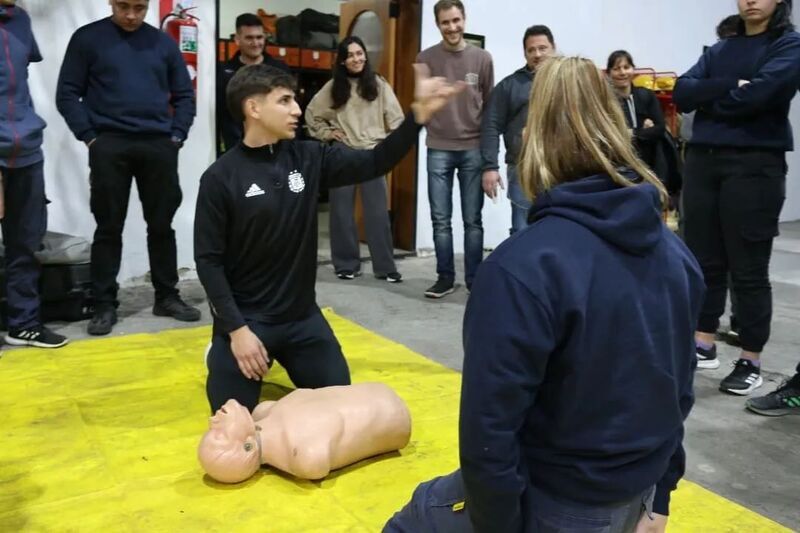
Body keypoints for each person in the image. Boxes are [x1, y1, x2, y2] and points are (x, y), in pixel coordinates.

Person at [385, 56, 705, 533]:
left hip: (556, 497)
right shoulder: (677, 257)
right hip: (633, 495)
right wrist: (660, 497)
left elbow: (489, 438)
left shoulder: (521, 269)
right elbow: (679, 391)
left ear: (530, 139)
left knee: (412, 520)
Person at [195, 63, 463, 413]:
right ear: (254, 108)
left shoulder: (309, 157)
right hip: (249, 322)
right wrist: (236, 332)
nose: (296, 110)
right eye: (286, 100)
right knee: (233, 421)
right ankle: (218, 351)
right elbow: (208, 261)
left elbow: (375, 162)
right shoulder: (220, 177)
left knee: (341, 407)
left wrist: (418, 117)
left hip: (301, 319)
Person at [673, 0, 800, 394]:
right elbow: (681, 91)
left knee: (747, 267)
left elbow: (759, 97)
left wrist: (710, 97)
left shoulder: (788, 45)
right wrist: (731, 86)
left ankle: (750, 359)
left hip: (754, 166)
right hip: (703, 164)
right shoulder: (720, 48)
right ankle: (703, 343)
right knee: (703, 261)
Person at [55, 0, 199, 336]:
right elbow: (67, 93)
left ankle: (167, 296)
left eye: (139, 7)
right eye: (124, 6)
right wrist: (90, 137)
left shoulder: (163, 42)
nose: (132, 15)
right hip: (109, 145)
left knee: (162, 225)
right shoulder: (87, 39)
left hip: (158, 145)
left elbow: (184, 95)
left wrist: (176, 135)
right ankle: (104, 304)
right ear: (111, 2)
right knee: (108, 228)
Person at [305, 36, 404, 282]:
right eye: (350, 55)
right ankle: (346, 264)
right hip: (344, 154)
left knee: (378, 213)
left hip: (372, 154)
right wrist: (328, 134)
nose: (356, 59)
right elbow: (311, 115)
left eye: (360, 53)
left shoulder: (379, 84)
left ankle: (385, 267)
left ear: (365, 56)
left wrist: (387, 146)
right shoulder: (333, 87)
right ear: (342, 61)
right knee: (340, 213)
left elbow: (397, 119)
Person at [0, 0, 68, 348]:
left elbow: (17, 84)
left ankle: (22, 323)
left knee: (25, 242)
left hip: (25, 149)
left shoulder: (20, 20)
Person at [416, 0, 494, 298]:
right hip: (438, 148)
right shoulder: (425, 58)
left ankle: (475, 279)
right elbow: (420, 105)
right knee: (441, 220)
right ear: (438, 24)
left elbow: (489, 109)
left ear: (464, 19)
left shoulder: (482, 58)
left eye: (456, 20)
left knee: (472, 220)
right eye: (445, 22)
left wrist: (489, 158)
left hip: (473, 147)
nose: (452, 27)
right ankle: (445, 278)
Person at [198, 383, 411, 483]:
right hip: (393, 414)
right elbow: (316, 464)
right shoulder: (303, 455)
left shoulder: (264, 412)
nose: (213, 420)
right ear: (247, 447)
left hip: (378, 392)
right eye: (219, 435)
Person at [480, 25, 555, 235]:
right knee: (523, 229)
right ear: (525, 53)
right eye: (531, 50)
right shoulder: (509, 86)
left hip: (560, 167)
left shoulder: (566, 83)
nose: (537, 54)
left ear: (553, 48)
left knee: (558, 227)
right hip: (521, 167)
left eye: (542, 48)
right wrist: (490, 167)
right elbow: (491, 126)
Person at [217, 13, 289, 155]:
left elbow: (288, 108)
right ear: (237, 39)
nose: (256, 43)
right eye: (249, 38)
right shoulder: (224, 72)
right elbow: (223, 114)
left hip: (275, 148)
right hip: (237, 149)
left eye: (259, 37)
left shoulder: (279, 70)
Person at [607, 50, 666, 175]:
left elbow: (660, 129)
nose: (622, 72)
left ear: (633, 70)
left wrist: (632, 133)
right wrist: (644, 131)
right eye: (617, 68)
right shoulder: (605, 100)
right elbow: (610, 134)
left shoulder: (646, 95)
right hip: (620, 163)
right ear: (609, 73)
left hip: (649, 161)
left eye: (626, 67)